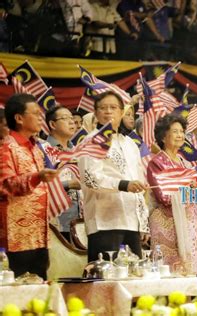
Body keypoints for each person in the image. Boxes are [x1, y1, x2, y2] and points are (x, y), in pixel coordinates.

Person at [78, 91, 149, 262]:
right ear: (95, 114)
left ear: (121, 112)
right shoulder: (91, 141)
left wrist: (143, 222)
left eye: (113, 107)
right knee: (106, 279)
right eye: (103, 108)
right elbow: (91, 178)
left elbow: (139, 184)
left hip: (132, 221)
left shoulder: (129, 143)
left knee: (134, 276)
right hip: (105, 222)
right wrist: (124, 185)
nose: (108, 111)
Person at [0, 93, 59, 279]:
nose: (41, 117)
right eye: (35, 113)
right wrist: (37, 177)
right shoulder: (6, 148)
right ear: (19, 118)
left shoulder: (35, 148)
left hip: (39, 233)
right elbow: (6, 185)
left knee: (40, 285)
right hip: (16, 235)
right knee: (17, 288)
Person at [147, 114, 197, 274]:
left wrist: (196, 188)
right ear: (163, 137)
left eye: (181, 131)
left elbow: (195, 195)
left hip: (188, 222)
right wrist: (187, 188)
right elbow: (162, 196)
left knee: (189, 270)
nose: (180, 135)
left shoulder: (186, 163)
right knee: (169, 272)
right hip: (166, 225)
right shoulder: (156, 163)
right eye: (175, 131)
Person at [45, 106, 82, 241]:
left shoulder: (77, 150)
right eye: (65, 118)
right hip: (56, 219)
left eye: (72, 118)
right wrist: (68, 184)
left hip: (81, 221)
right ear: (52, 124)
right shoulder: (44, 150)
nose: (72, 122)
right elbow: (39, 184)